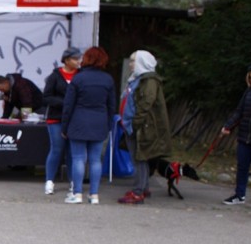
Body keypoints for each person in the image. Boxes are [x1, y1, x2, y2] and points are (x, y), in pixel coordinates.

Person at [60, 46, 116, 205]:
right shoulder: (108, 79)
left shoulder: (78, 78)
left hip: (79, 121)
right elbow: (112, 106)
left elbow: (68, 106)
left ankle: (77, 194)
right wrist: (109, 124)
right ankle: (94, 195)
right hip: (99, 122)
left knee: (78, 158)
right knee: (95, 160)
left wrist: (65, 127)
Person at [117, 51, 172, 205]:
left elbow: (146, 103)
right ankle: (143, 187)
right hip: (131, 124)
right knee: (139, 158)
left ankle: (138, 192)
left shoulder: (149, 81)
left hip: (140, 126)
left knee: (139, 158)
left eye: (133, 61)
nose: (130, 64)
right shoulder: (137, 79)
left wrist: (135, 123)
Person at [221, 61, 251, 210]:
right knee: (242, 166)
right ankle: (239, 195)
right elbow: (239, 112)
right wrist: (228, 126)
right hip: (245, 136)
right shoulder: (248, 92)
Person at [41, 47, 81, 195]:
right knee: (57, 149)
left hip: (75, 118)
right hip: (56, 118)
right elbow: (46, 97)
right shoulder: (55, 76)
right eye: (75, 59)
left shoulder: (80, 75)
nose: (78, 62)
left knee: (73, 151)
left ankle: (73, 181)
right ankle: (49, 180)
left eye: (79, 59)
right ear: (66, 60)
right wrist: (65, 102)